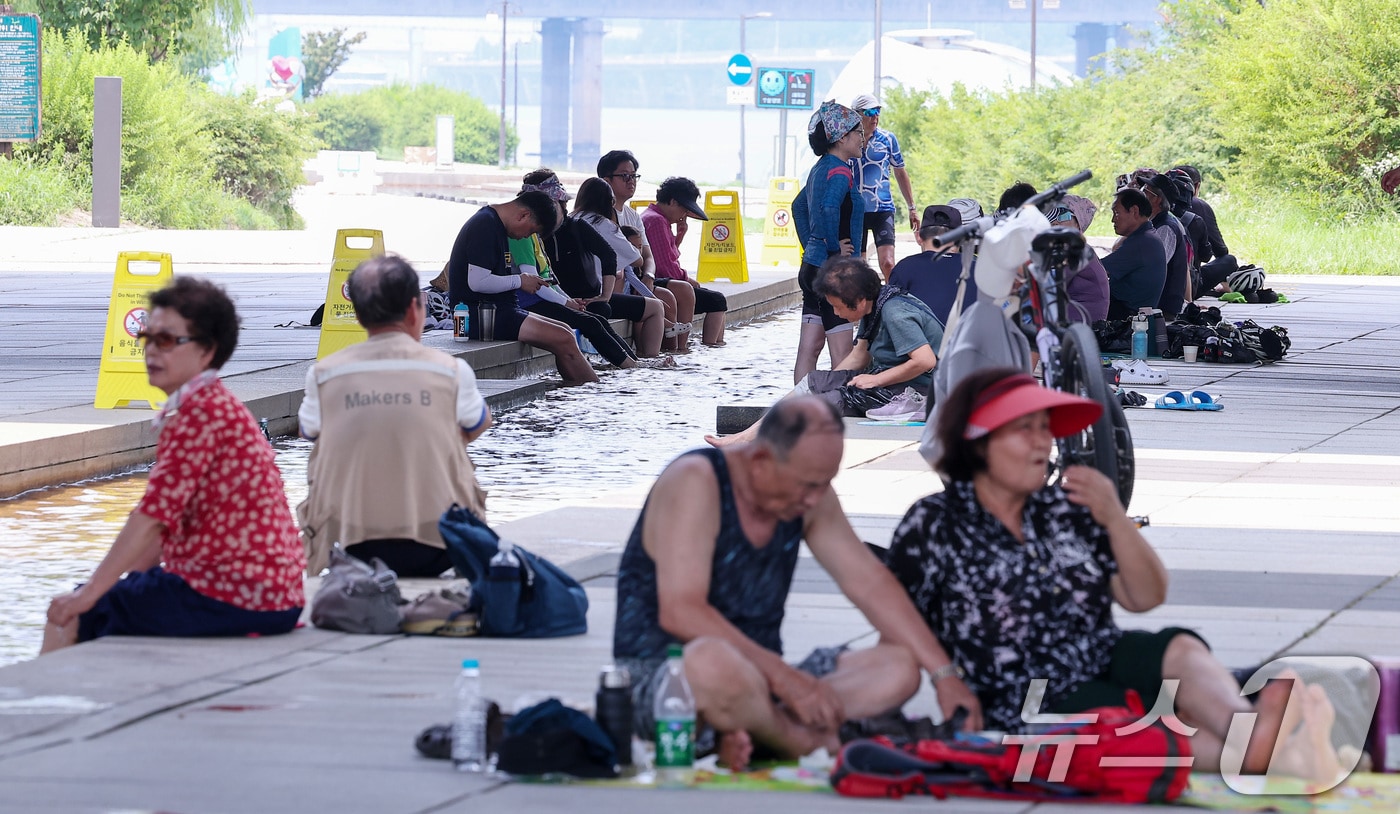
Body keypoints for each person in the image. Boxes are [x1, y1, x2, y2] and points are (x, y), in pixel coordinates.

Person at [887, 367, 1345, 782]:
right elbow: (899, 621)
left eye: (1044, 429)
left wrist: (1113, 518)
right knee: (1130, 733)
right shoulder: (935, 522)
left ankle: (1259, 739)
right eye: (1023, 429)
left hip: (1102, 655)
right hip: (1023, 691)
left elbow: (1145, 596)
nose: (1042, 442)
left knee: (1179, 646)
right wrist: (943, 678)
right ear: (978, 441)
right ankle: (1284, 754)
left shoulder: (1064, 509)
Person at [615, 396, 980, 770]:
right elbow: (682, 612)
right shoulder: (696, 480)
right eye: (807, 485)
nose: (815, 499)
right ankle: (806, 742)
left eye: (825, 483)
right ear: (759, 460)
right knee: (711, 663)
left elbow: (871, 584)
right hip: (669, 680)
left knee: (898, 668)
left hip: (765, 684)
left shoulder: (809, 493)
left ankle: (758, 732)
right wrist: (785, 679)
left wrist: (944, 676)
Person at [42, 278, 305, 654]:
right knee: (104, 597)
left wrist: (89, 597)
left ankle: (43, 709)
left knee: (70, 611)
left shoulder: (197, 415)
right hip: (270, 594)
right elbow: (162, 532)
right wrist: (117, 585)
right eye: (148, 338)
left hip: (235, 594)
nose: (151, 351)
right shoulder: (212, 405)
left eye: (166, 341)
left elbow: (152, 517)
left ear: (205, 351)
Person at [297, 255, 491, 578]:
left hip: (350, 545)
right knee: (455, 436)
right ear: (416, 309)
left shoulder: (324, 374)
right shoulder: (452, 371)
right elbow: (477, 424)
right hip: (441, 546)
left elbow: (309, 431)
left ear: (358, 316)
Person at [707, 257, 942, 445]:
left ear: (859, 300)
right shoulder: (875, 305)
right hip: (894, 382)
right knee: (814, 381)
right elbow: (859, 355)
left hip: (922, 391)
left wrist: (876, 379)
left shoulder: (895, 312)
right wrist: (826, 381)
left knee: (828, 402)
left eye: (838, 307)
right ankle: (748, 434)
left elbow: (925, 360)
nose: (837, 314)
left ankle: (765, 444)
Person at [447, 190, 597, 384]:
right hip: (480, 315)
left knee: (565, 330)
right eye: (532, 231)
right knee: (563, 338)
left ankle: (579, 392)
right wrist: (521, 280)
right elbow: (477, 281)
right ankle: (592, 394)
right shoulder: (484, 225)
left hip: (498, 309)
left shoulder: (494, 224)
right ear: (524, 215)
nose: (526, 236)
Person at [521, 169, 643, 370]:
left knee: (598, 313)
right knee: (592, 322)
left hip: (573, 297)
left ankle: (632, 363)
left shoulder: (575, 226)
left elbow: (608, 255)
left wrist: (604, 295)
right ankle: (630, 366)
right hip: (541, 299)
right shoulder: (526, 234)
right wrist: (566, 302)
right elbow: (536, 282)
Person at [792, 100, 866, 384]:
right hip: (834, 273)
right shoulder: (840, 171)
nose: (862, 138)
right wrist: (834, 249)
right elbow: (828, 208)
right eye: (857, 132)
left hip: (811, 268)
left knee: (808, 349)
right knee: (843, 352)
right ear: (841, 137)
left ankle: (798, 407)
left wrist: (812, 246)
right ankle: (841, 413)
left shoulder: (819, 169)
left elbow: (798, 207)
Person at [598, 149, 685, 352]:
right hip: (615, 282)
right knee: (654, 302)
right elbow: (631, 258)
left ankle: (674, 353)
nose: (631, 181)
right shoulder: (600, 216)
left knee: (669, 297)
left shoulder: (633, 216)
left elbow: (647, 255)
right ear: (606, 180)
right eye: (625, 176)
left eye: (634, 175)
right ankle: (646, 354)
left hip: (635, 279)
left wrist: (649, 275)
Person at [572, 176, 667, 358]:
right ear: (610, 202)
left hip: (567, 295)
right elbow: (637, 259)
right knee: (655, 307)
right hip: (594, 297)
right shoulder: (604, 224)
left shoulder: (569, 220)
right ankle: (648, 359)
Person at [641, 176, 728, 347]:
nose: (685, 214)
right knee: (717, 301)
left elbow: (667, 254)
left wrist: (679, 235)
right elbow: (665, 267)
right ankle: (706, 347)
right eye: (684, 209)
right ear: (673, 202)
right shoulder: (656, 221)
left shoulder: (657, 218)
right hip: (657, 280)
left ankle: (714, 345)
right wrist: (686, 278)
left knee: (716, 300)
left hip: (660, 278)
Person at [850, 93, 917, 280]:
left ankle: (890, 304)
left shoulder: (888, 139)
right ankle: (864, 308)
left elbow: (900, 172)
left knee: (888, 263)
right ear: (857, 114)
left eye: (877, 111)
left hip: (882, 208)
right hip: (856, 210)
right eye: (870, 112)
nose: (875, 117)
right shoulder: (848, 139)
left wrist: (912, 208)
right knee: (858, 267)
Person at [889, 204, 975, 325]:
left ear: (919, 237)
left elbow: (890, 317)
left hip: (922, 342)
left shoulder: (904, 269)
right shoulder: (978, 268)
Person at [1100, 188, 1166, 319]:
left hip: (1128, 314)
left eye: (1117, 213)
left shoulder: (1143, 242)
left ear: (1134, 211)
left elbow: (1097, 270)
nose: (1113, 220)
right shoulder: (1146, 237)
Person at [1051, 195, 1110, 323]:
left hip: (1082, 324)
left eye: (1063, 216)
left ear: (1078, 223)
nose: (1055, 222)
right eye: (1053, 215)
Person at [1143, 173, 1191, 317]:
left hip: (1162, 306)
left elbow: (1153, 269)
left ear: (1157, 199)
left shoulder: (1166, 227)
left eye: (1145, 192)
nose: (1141, 196)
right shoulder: (1151, 223)